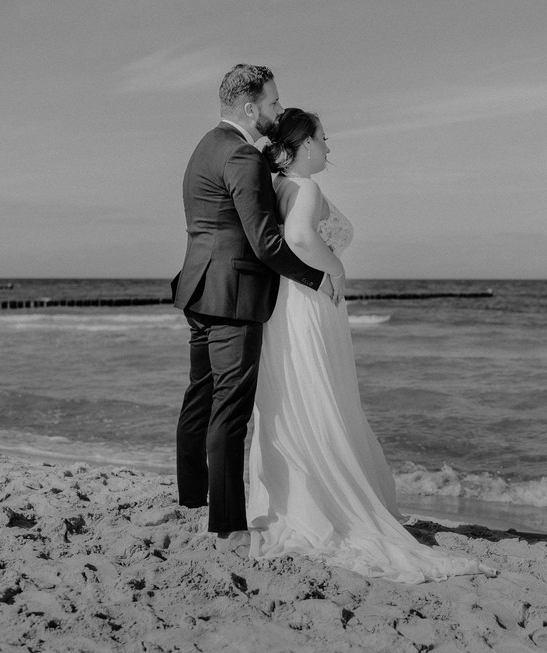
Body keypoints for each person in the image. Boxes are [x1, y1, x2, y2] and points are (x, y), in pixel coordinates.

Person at [246, 108, 494, 583]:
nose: (328, 146)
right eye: (322, 138)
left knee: (296, 402)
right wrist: (333, 272)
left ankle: (294, 499)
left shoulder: (277, 186)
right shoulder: (305, 187)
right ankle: (329, 504)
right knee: (323, 398)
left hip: (286, 306)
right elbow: (298, 236)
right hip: (311, 301)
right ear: (301, 145)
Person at [171, 66, 342, 540]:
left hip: (198, 286)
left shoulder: (206, 146)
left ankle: (191, 495)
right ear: (250, 108)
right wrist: (315, 278)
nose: (278, 110)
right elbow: (266, 243)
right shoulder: (242, 156)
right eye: (272, 103)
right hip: (233, 297)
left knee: (200, 397)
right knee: (230, 410)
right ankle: (227, 523)